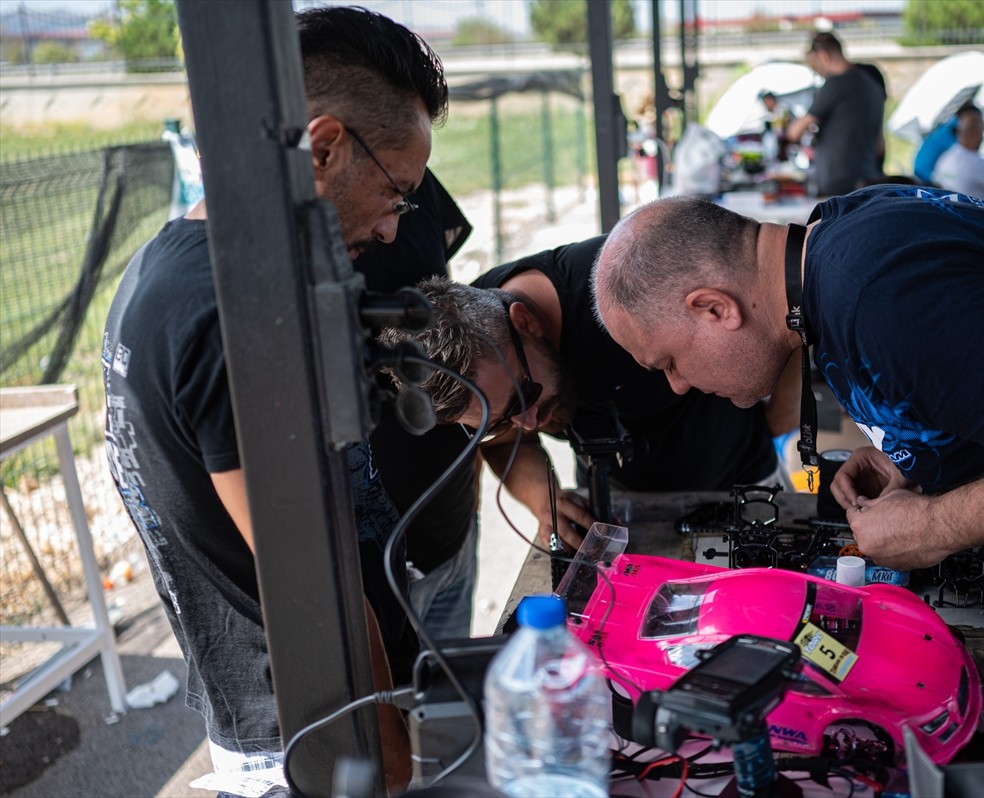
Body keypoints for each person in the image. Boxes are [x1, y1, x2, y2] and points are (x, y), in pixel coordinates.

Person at [592, 189, 984, 783]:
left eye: (668, 362)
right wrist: (920, 451)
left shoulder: (881, 296)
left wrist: (936, 525)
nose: (676, 386)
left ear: (714, 308)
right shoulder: (833, 243)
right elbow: (983, 364)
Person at [101, 7, 448, 795]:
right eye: (398, 193)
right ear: (323, 148)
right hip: (312, 739)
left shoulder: (168, 261)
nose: (396, 230)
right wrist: (390, 755)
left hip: (278, 717)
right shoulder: (235, 318)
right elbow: (310, 574)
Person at [381, 236, 803, 549]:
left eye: (521, 398)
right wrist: (544, 500)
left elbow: (775, 313)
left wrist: (779, 415)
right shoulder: (476, 329)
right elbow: (512, 441)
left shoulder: (634, 282)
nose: (528, 423)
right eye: (494, 422)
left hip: (738, 486)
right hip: (617, 502)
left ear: (525, 322)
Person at [353, 169, 480, 648]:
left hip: (452, 519)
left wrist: (473, 468)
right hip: (379, 564)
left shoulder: (408, 173)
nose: (389, 228)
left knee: (451, 711)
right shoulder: (284, 228)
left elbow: (442, 309)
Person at [785, 31, 884, 196]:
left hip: (840, 183)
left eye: (816, 67)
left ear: (823, 56)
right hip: (866, 178)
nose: (819, 74)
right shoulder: (870, 82)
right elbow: (879, 145)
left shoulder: (837, 83)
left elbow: (794, 133)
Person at [912, 102, 979, 186]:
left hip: (920, 173)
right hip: (927, 178)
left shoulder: (946, 127)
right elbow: (967, 160)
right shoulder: (954, 134)